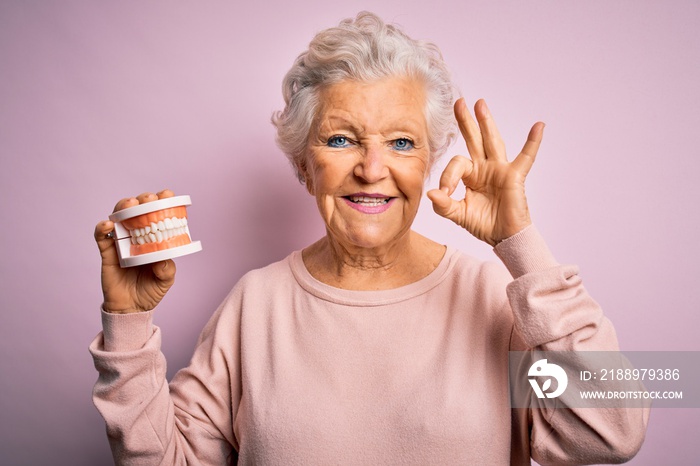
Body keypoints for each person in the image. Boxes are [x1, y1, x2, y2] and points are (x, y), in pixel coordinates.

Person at [90, 11, 648, 465]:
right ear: (304, 167)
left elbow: (611, 431)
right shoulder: (254, 305)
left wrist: (520, 243)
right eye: (341, 139)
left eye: (402, 143)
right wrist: (128, 326)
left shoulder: (496, 301)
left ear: (428, 166)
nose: (372, 168)